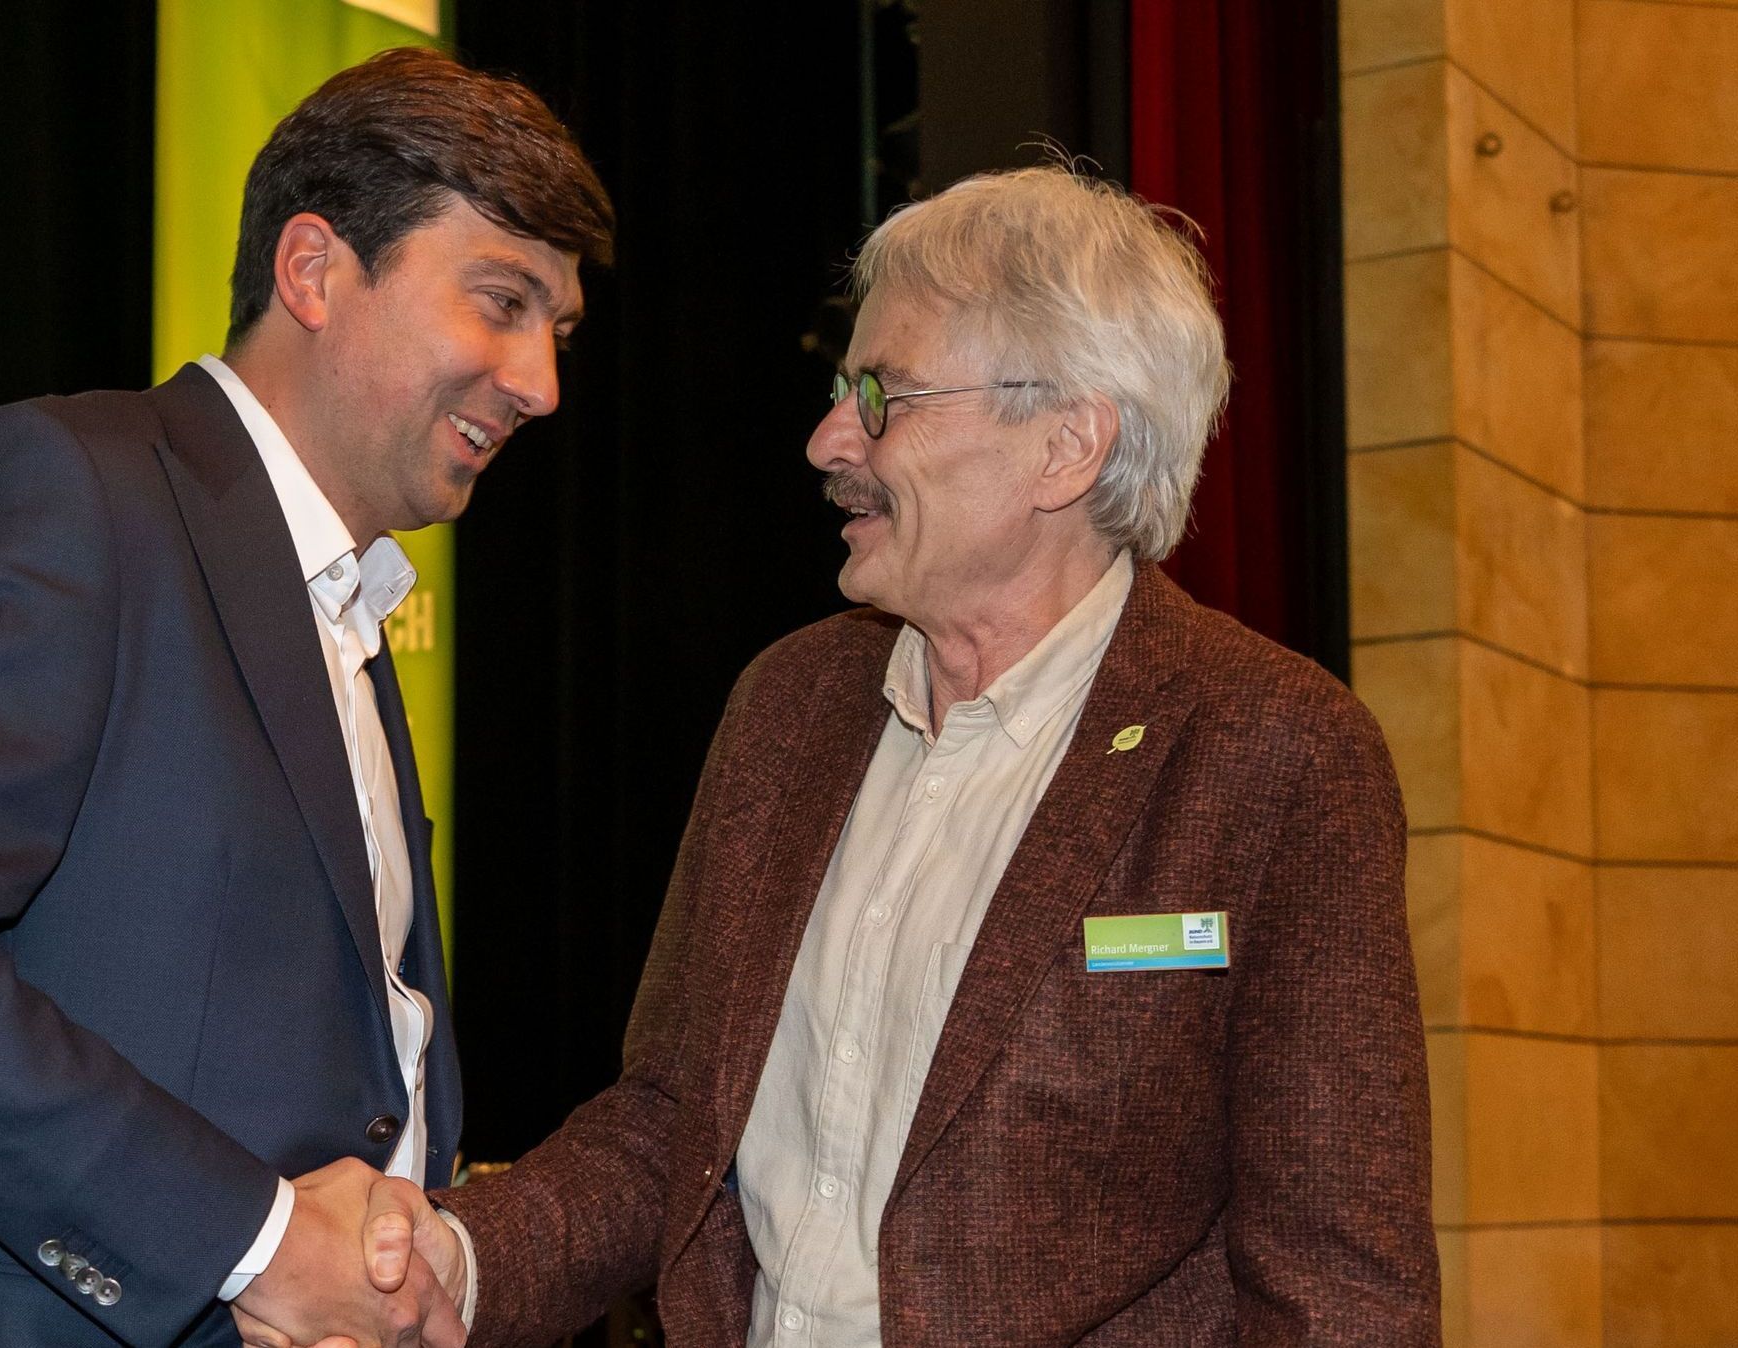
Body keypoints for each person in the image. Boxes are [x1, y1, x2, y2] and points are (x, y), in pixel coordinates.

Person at [284, 165, 1441, 1347]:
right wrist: (454, 1260)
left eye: (882, 395)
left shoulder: (1272, 753)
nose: (828, 437)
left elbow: (1341, 1294)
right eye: (844, 389)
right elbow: (672, 1128)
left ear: (1067, 444)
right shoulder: (792, 706)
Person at [0, 47, 612, 1348]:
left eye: (558, 332)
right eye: (500, 302)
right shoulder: (72, 495)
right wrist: (249, 1242)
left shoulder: (339, 602)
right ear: (313, 271)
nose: (540, 384)